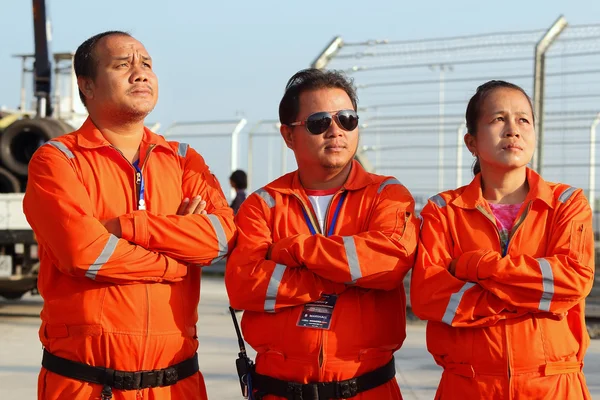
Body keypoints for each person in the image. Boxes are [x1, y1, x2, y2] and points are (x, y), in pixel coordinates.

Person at [23, 31, 236, 400]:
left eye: (147, 65)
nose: (140, 74)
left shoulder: (184, 160)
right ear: (86, 86)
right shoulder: (58, 160)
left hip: (177, 386)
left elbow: (220, 238)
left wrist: (128, 226)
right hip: (86, 385)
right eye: (123, 65)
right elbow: (84, 252)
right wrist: (176, 261)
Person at [225, 68, 419, 399]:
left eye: (347, 119)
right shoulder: (263, 205)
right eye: (318, 122)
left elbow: (387, 264)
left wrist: (292, 251)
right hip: (278, 390)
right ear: (289, 135)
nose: (335, 131)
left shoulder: (387, 195)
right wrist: (345, 276)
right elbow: (245, 286)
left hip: (367, 389)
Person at [411, 80, 595, 399]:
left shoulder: (567, 203)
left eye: (523, 119)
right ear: (471, 141)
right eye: (498, 119)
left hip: (552, 386)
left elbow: (571, 283)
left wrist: (475, 265)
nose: (513, 129)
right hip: (468, 386)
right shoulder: (443, 211)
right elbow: (431, 297)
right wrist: (530, 297)